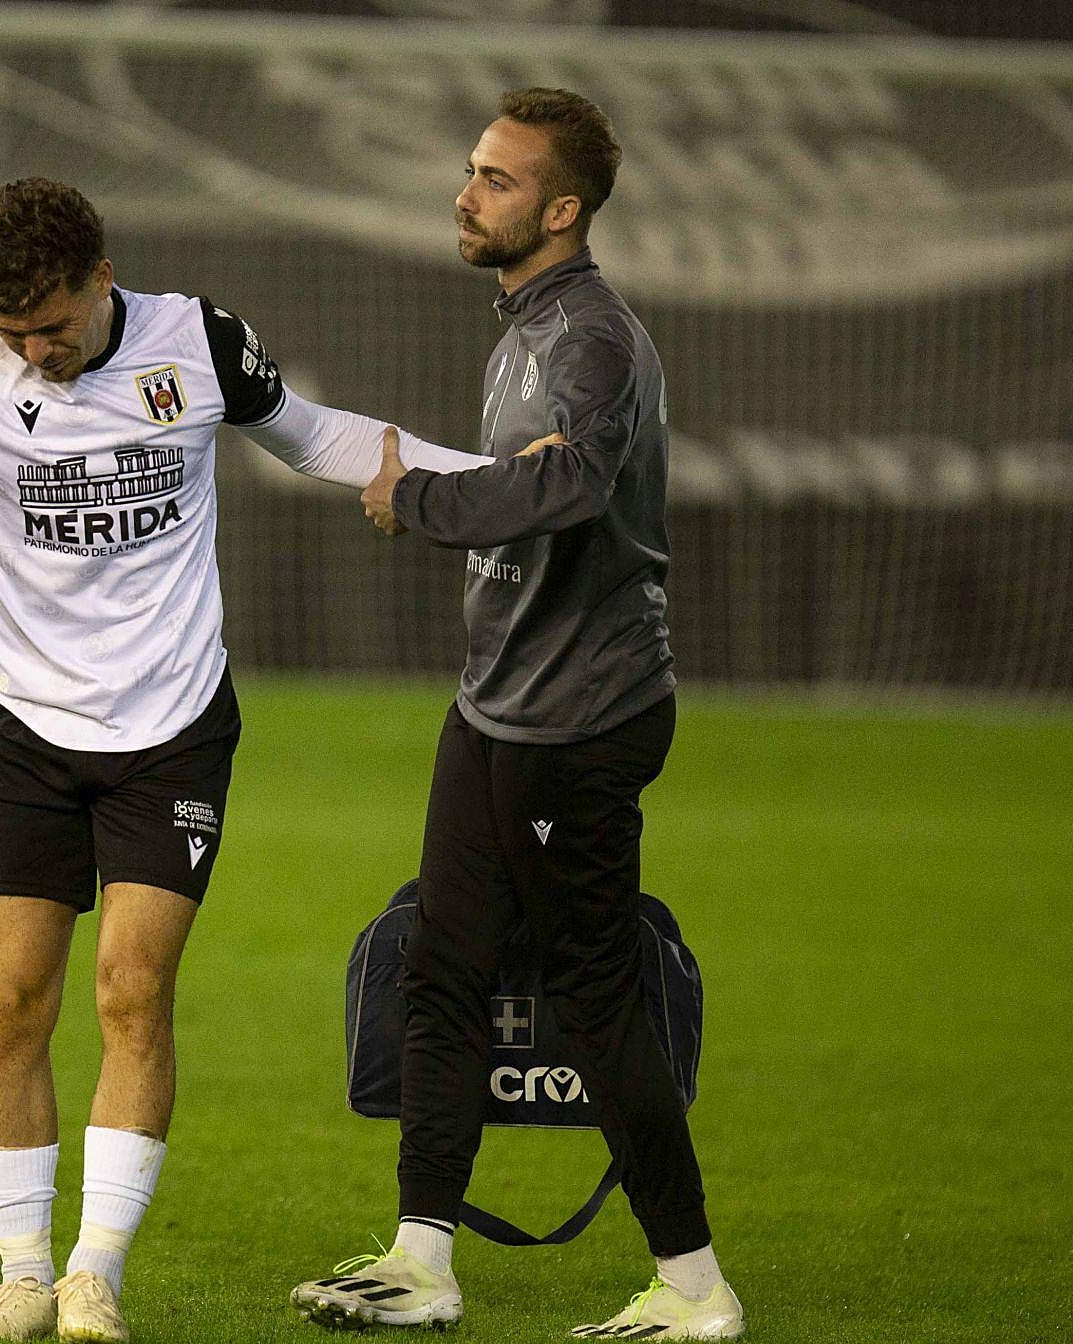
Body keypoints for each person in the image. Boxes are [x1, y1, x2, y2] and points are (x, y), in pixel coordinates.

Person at [0, 178, 489, 1344]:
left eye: (52, 325)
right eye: (13, 331)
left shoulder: (197, 343)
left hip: (172, 728)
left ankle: (94, 1276)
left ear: (102, 279)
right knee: (11, 997)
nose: (35, 350)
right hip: (26, 732)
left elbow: (315, 436)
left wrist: (493, 478)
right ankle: (21, 1278)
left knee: (130, 987)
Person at [290, 90, 745, 1340]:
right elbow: (527, 482)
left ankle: (696, 1288)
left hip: (578, 723)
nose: (465, 194)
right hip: (498, 708)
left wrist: (419, 503)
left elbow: (576, 487)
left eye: (497, 179)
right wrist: (454, 489)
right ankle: (422, 1259)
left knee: (595, 998)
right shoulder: (527, 329)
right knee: (443, 967)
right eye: (471, 170)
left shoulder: (591, 337)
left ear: (562, 210)